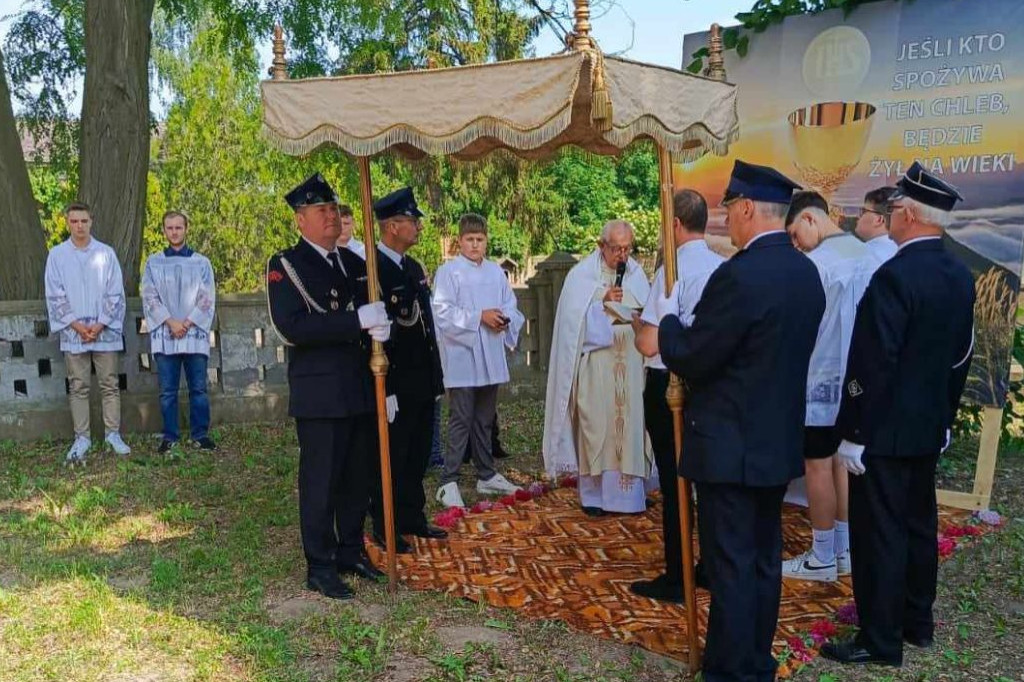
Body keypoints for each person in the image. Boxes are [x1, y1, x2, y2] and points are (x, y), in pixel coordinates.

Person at [658, 160, 824, 682]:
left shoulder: (739, 275)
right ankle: (755, 657)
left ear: (748, 208)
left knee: (731, 564)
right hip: (775, 441)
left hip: (730, 443)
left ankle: (732, 670)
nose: (726, 218)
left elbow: (698, 354)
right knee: (762, 559)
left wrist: (667, 324)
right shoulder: (806, 272)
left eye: (730, 208)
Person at [823, 163, 975, 667]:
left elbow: (873, 358)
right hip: (927, 425)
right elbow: (961, 356)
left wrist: (855, 431)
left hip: (883, 430)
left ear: (908, 214)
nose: (889, 215)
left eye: (892, 208)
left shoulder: (894, 275)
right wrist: (945, 417)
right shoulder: (958, 273)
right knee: (917, 523)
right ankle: (917, 622)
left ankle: (880, 639)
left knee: (879, 532)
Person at [266, 172, 391, 599]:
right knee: (321, 481)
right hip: (320, 393)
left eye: (335, 209)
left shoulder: (356, 264)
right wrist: (356, 320)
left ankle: (350, 549)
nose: (332, 216)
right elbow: (293, 326)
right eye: (322, 210)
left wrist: (380, 331)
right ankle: (319, 564)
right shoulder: (286, 266)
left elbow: (375, 314)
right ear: (300, 219)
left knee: (357, 476)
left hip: (358, 386)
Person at [629, 189, 723, 602]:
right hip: (708, 380)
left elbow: (650, 344)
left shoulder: (674, 269)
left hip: (669, 382)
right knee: (707, 482)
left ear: (676, 225)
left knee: (675, 482)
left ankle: (678, 573)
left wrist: (636, 327)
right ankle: (712, 566)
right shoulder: (722, 266)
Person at [780, 191, 873, 583]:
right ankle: (844, 549)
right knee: (840, 462)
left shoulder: (816, 265)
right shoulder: (864, 252)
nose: (796, 244)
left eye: (795, 234)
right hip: (856, 379)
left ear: (810, 220)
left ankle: (821, 556)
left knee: (817, 464)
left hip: (819, 375)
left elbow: (802, 328)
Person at [542, 220, 653, 515]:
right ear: (601, 246)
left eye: (627, 248)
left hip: (629, 363)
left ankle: (630, 496)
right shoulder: (581, 277)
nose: (622, 255)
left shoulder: (636, 273)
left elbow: (647, 310)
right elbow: (570, 323)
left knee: (629, 426)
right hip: (596, 363)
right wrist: (599, 302)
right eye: (616, 248)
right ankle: (594, 497)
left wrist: (638, 315)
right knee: (596, 425)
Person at [368, 187, 448, 553]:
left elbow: (425, 326)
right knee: (393, 456)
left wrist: (436, 376)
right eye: (411, 221)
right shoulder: (373, 269)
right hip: (396, 379)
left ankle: (412, 516)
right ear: (391, 226)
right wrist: (385, 388)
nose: (417, 227)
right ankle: (386, 524)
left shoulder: (413, 267)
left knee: (416, 454)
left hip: (421, 378)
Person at [433, 213, 525, 508]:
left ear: (487, 241)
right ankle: (448, 480)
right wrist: (479, 318)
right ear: (459, 241)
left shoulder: (496, 272)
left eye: (480, 240)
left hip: (491, 352)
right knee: (461, 417)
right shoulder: (449, 272)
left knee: (485, 418)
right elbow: (442, 312)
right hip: (464, 354)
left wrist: (504, 320)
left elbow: (510, 303)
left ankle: (486, 474)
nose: (475, 245)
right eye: (469, 240)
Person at [44, 201, 130, 463]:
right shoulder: (57, 255)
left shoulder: (106, 254)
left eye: (84, 221)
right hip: (74, 333)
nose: (79, 226)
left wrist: (101, 323)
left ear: (91, 222)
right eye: (74, 221)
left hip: (104, 332)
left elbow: (115, 292)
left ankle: (113, 434)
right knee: (78, 386)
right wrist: (77, 325)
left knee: (109, 384)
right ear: (67, 223)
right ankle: (82, 437)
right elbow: (55, 293)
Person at [141, 210, 217, 453]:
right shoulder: (153, 263)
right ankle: (170, 436)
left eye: (178, 227)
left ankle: (200, 434)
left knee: (198, 389)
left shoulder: (201, 262)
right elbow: (150, 296)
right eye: (170, 228)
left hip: (193, 334)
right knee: (167, 392)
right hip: (166, 334)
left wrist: (187, 323)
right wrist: (170, 322)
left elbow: (207, 298)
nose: (174, 232)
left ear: (186, 229)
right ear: (164, 230)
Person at [854, 186, 898, 268]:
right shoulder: (908, 253)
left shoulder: (861, 257)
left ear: (879, 220)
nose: (858, 216)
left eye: (863, 211)